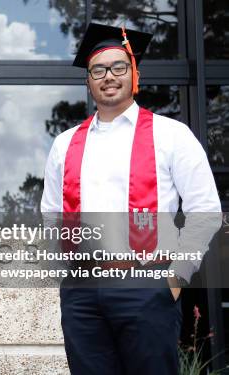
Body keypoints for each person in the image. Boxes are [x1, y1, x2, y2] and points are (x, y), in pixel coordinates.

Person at [40, 23, 221, 374]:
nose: (109, 76)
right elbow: (52, 215)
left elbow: (205, 211)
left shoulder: (172, 135)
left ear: (134, 73)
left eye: (118, 66)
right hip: (83, 292)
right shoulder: (64, 144)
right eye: (98, 69)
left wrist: (176, 277)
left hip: (147, 284)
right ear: (88, 81)